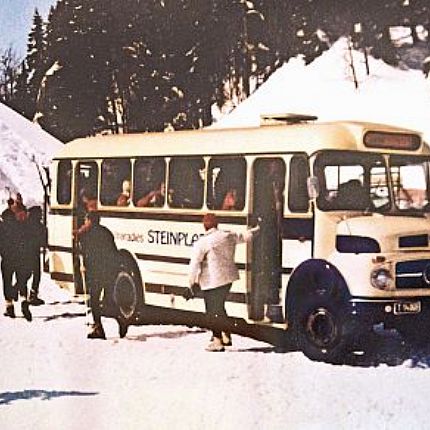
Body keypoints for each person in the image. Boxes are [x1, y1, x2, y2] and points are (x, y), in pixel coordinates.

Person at [188, 213, 259, 352]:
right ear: (217, 224)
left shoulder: (202, 242)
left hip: (211, 281)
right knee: (219, 307)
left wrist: (190, 284)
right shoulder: (227, 235)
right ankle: (226, 335)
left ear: (204, 226)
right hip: (227, 279)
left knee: (212, 312)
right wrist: (258, 229)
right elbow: (246, 236)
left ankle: (217, 341)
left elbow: (194, 265)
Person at [77, 211, 123, 339]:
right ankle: (121, 320)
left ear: (90, 221)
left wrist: (79, 234)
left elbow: (84, 252)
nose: (85, 222)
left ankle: (98, 328)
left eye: (86, 220)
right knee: (109, 300)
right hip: (110, 270)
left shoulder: (87, 234)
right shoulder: (106, 232)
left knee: (94, 300)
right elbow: (114, 251)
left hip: (96, 271)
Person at [0, 207, 32, 321]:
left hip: (7, 259)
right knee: (22, 280)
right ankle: (24, 301)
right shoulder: (20, 225)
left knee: (7, 281)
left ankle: (9, 306)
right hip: (21, 258)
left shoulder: (2, 227)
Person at [27, 206, 48, 305]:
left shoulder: (25, 225)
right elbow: (44, 242)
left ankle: (17, 290)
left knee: (25, 274)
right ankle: (33, 294)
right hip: (34, 253)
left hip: (25, 252)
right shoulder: (40, 227)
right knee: (36, 274)